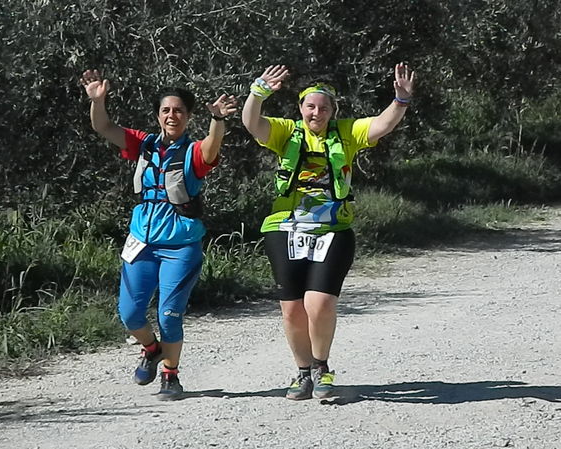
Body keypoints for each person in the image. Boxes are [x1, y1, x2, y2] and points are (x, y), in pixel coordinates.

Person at [241, 63, 415, 400]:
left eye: (323, 107)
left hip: (333, 228)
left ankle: (321, 367)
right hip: (284, 228)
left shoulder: (347, 133)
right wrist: (257, 92)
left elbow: (381, 125)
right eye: (310, 106)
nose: (316, 113)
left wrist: (401, 100)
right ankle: (302, 372)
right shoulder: (286, 132)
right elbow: (252, 123)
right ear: (301, 109)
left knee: (318, 303)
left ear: (332, 111)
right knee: (292, 308)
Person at [80, 69, 237, 400]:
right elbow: (103, 126)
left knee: (169, 314)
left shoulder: (194, 152)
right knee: (130, 314)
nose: (172, 115)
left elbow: (211, 147)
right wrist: (98, 101)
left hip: (180, 247)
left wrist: (218, 121)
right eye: (166, 110)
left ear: (189, 116)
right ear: (157, 115)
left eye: (178, 110)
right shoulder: (144, 144)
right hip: (142, 243)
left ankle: (170, 375)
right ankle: (151, 349)